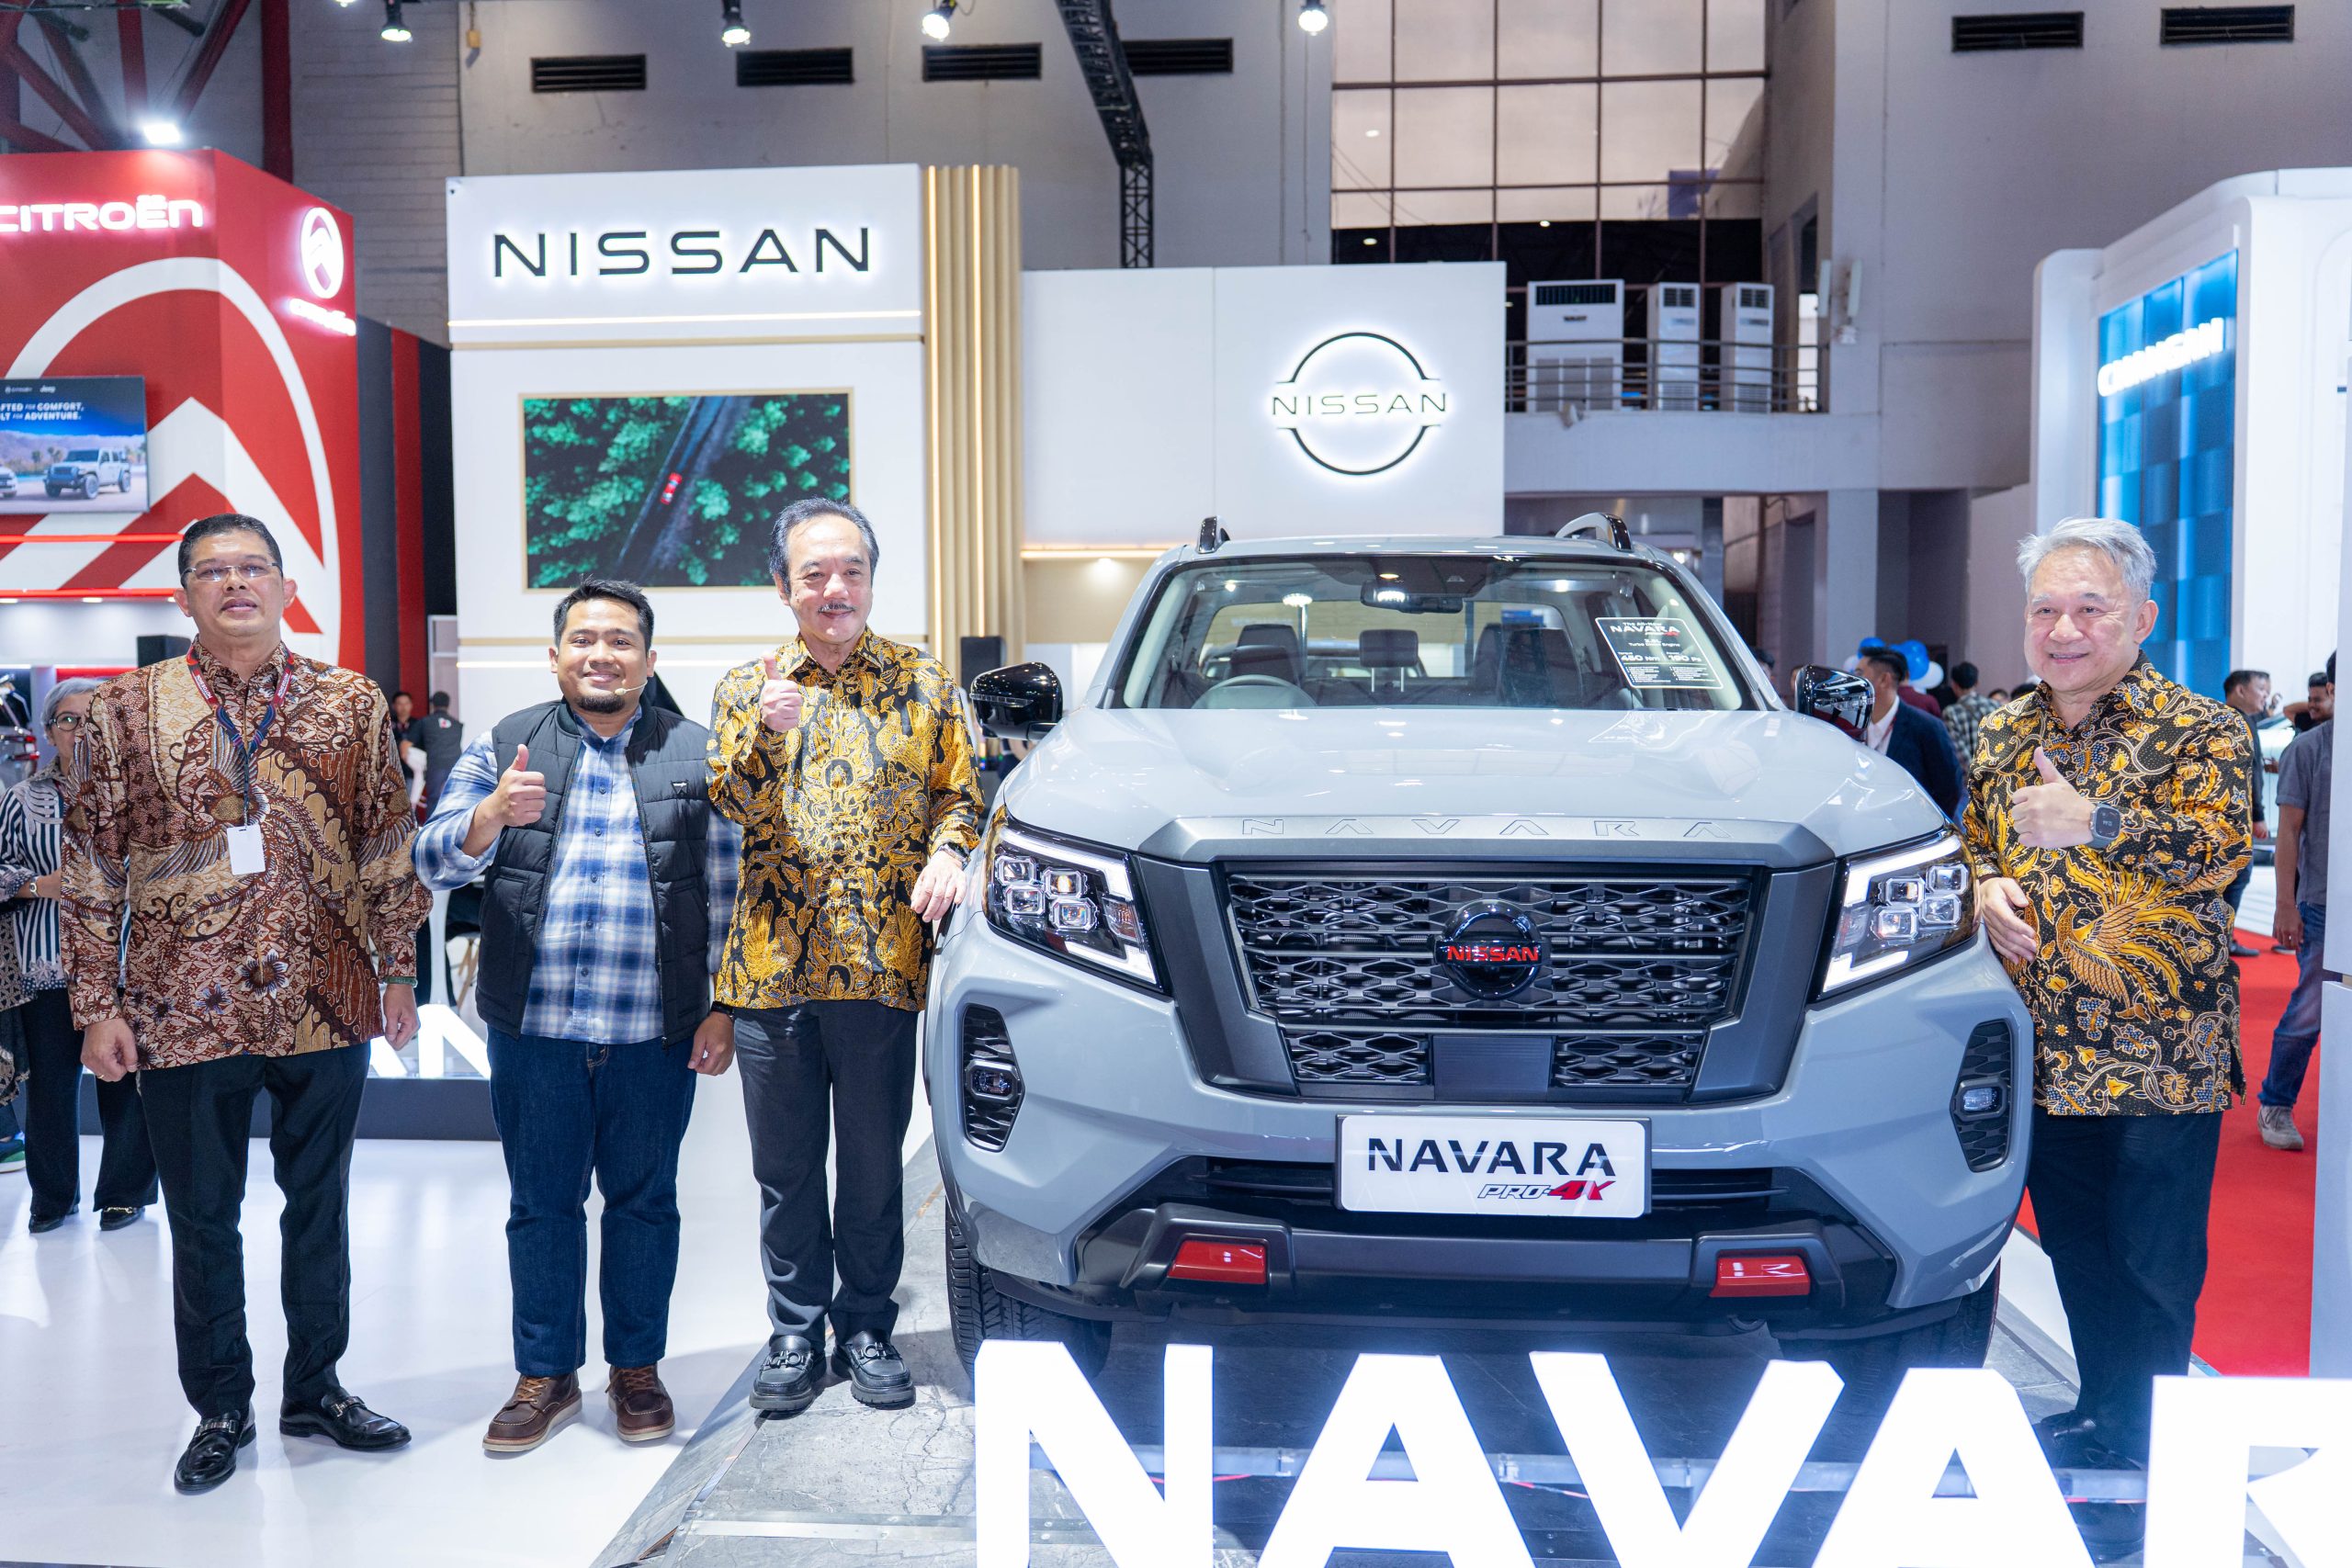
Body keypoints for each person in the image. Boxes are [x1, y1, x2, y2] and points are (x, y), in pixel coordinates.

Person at [62, 513, 431, 1495]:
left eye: (253, 567)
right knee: (201, 1218)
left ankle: (317, 1389)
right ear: (183, 594)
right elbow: (92, 862)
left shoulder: (349, 702)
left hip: (326, 995)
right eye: (213, 571)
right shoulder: (122, 710)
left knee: (320, 1207)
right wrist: (96, 1005)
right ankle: (221, 1405)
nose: (236, 584)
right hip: (182, 1004)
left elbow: (384, 840)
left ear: (284, 587)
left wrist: (397, 971)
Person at [413, 579, 741, 1453]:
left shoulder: (697, 752)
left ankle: (636, 1368)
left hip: (654, 1030)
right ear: (555, 655)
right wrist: (488, 816)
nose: (602, 654)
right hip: (535, 1027)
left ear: (649, 659)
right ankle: (546, 1374)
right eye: (585, 639)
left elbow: (727, 890)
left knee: (645, 1204)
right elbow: (432, 860)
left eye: (621, 640)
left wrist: (723, 1007)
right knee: (541, 1204)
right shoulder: (506, 743)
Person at [1963, 516, 2252, 1472]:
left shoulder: (2202, 729)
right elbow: (1971, 839)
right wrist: (1982, 884)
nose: (2063, 629)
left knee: (2152, 1263)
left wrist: (2093, 819)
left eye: (2090, 608)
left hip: (2159, 1051)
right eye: (2044, 608)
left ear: (2142, 619)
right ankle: (2104, 1414)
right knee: (2077, 1249)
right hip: (2042, 1047)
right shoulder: (2004, 727)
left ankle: (2155, 1442)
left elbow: (2218, 854)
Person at [710, 499, 982, 1416]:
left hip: (881, 967)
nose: (836, 588)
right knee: (785, 1169)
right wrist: (767, 731)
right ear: (782, 586)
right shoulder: (748, 687)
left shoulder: (923, 681)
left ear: (870, 579)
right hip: (771, 969)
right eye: (815, 574)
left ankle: (865, 1325)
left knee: (871, 1166)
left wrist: (950, 852)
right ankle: (794, 1331)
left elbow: (961, 797)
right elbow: (730, 803)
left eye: (851, 571)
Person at [1, 678, 158, 1233]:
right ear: (49, 733)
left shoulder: (144, 798)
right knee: (50, 1089)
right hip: (45, 966)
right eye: (69, 720)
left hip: (128, 966)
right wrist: (38, 884)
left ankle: (124, 1194)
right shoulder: (21, 800)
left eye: (95, 720)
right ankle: (52, 1198)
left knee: (127, 1080)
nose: (82, 731)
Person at [2258, 653, 2333, 1152]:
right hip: (2324, 902)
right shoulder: (2309, 749)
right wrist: (2285, 903)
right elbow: (2288, 833)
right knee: (2310, 1010)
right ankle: (2276, 1102)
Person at [1858, 648, 1964, 816]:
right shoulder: (1852, 725)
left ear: (1884, 679)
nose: (1853, 681)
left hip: (1910, 825)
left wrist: (1928, 822)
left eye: (1859, 673)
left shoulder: (1926, 727)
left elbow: (1950, 788)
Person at [2219, 669, 2272, 956]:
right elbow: (2248, 773)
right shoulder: (2238, 722)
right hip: (2236, 816)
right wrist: (2258, 815)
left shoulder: (2230, 719)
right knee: (2238, 876)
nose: (2265, 696)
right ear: (2240, 690)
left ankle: (2221, 938)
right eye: (2261, 689)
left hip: (2231, 814)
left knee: (2234, 876)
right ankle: (2221, 939)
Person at [412, 691, 466, 815]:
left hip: (435, 765)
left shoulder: (425, 722)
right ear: (448, 704)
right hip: (455, 765)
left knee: (434, 799)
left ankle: (432, 826)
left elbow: (407, 746)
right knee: (453, 800)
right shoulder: (457, 725)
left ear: (433, 704)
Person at [1941, 660, 1999, 764]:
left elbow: (1959, 752)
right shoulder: (1995, 705)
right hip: (1996, 770)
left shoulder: (1951, 712)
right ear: (1977, 682)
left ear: (1954, 685)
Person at [390, 689, 420, 801]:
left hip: (411, 771)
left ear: (411, 705)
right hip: (391, 772)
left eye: (406, 703)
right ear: (394, 706)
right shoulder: (387, 724)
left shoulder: (418, 725)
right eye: (400, 704)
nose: (403, 707)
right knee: (392, 804)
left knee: (409, 803)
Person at [2286, 669, 2332, 734]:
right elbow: (2287, 710)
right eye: (2310, 700)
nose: (2311, 704)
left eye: (2317, 700)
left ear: (2333, 697)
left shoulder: (2341, 729)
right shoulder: (2309, 723)